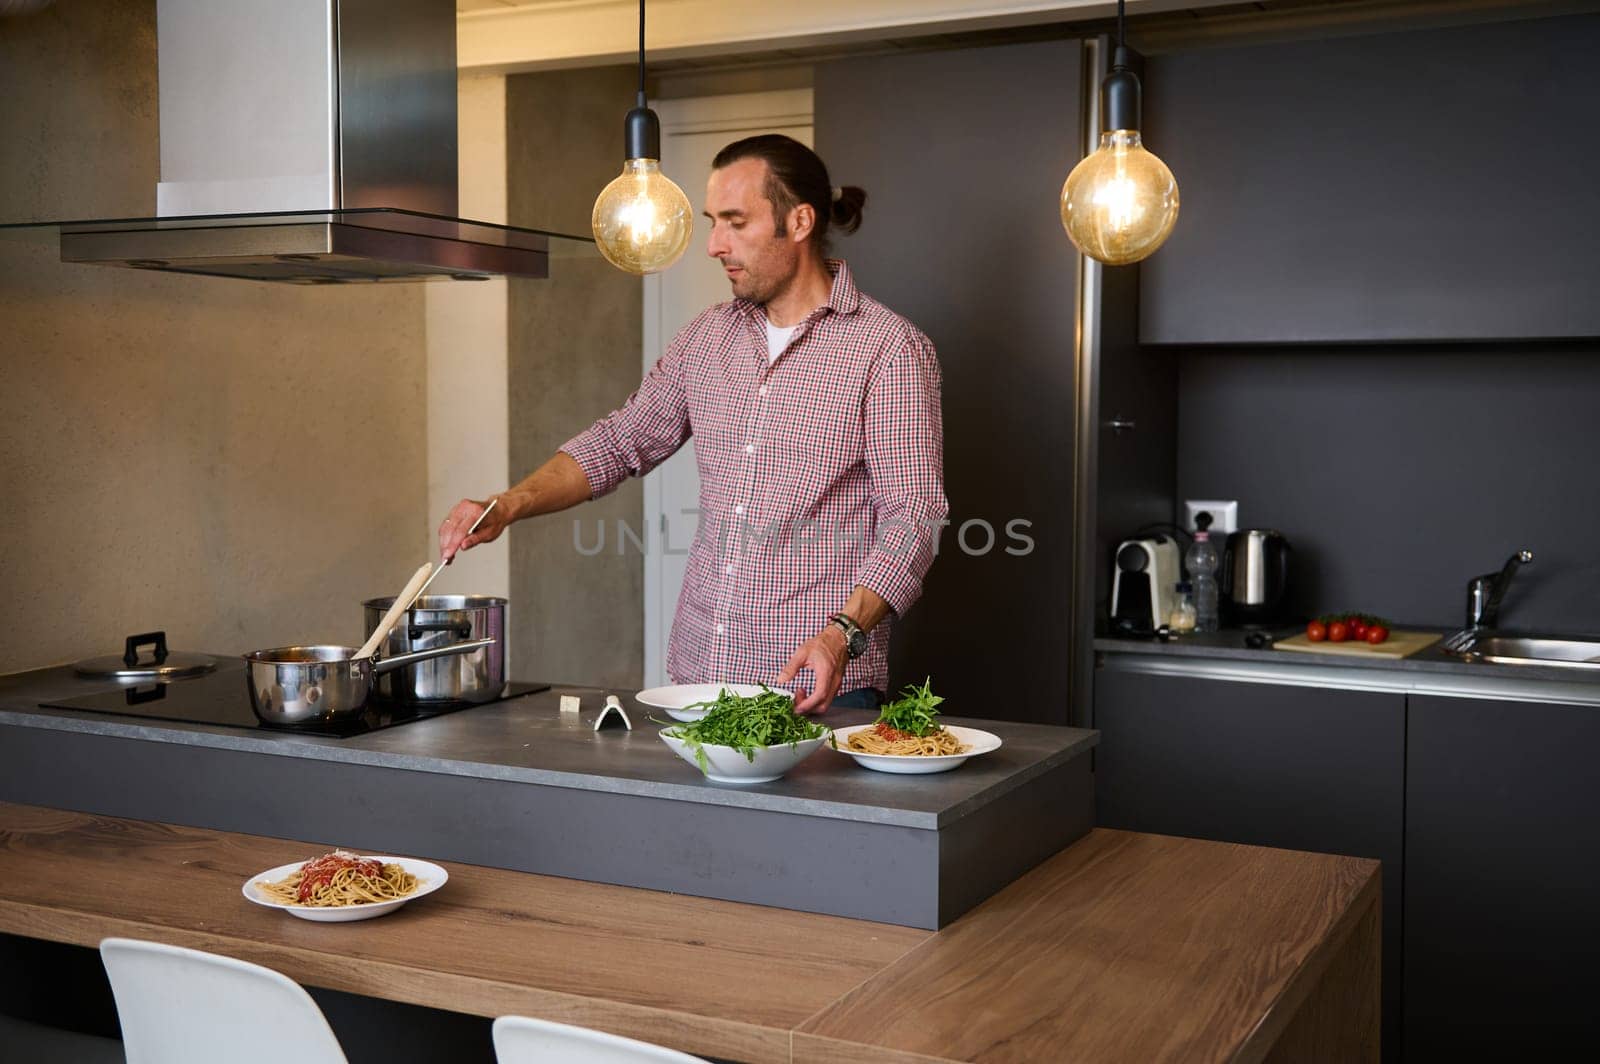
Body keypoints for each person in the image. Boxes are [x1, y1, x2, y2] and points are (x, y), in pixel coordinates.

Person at [438, 134, 947, 713]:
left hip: (815, 684)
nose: (713, 245)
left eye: (735, 223)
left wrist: (842, 636)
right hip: (699, 673)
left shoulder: (888, 348)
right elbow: (620, 441)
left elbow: (915, 518)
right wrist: (506, 505)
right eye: (712, 222)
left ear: (800, 221)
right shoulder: (706, 338)